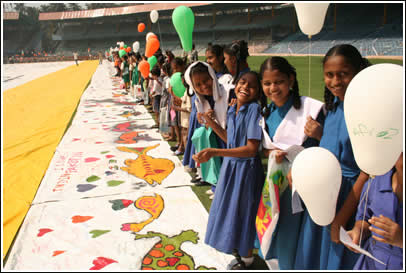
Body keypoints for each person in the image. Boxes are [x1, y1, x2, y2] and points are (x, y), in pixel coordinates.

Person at [291, 44, 371, 270]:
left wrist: (340, 219)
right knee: (313, 255)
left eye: (343, 74)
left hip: (349, 198)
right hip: (323, 194)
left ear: (358, 72)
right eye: (329, 75)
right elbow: (332, 146)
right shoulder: (333, 105)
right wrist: (319, 135)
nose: (335, 81)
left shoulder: (366, 111)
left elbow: (366, 172)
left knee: (335, 257)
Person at [255, 57, 324, 269]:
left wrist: (319, 134)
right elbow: (265, 148)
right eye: (267, 83)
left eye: (278, 82)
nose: (273, 88)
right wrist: (271, 153)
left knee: (295, 233)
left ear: (291, 80)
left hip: (303, 183)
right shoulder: (267, 112)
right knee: (275, 229)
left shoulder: (310, 109)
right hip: (277, 182)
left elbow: (324, 146)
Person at [193, 71, 266, 270]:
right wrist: (211, 122)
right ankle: (240, 254)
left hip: (246, 171)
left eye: (252, 85)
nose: (245, 87)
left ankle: (248, 259)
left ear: (258, 92)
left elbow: (251, 149)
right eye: (242, 82)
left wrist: (215, 152)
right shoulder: (234, 110)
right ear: (236, 84)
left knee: (244, 212)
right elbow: (229, 138)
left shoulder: (253, 110)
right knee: (231, 211)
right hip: (231, 168)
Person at [345, 153, 403, 270]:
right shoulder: (377, 182)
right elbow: (365, 220)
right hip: (371, 263)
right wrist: (358, 232)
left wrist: (401, 239)